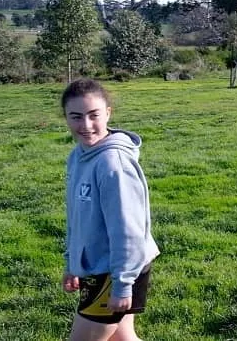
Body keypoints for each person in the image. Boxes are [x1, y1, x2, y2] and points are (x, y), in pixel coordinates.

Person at [60, 78, 160, 341]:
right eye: (76, 117)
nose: (86, 125)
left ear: (108, 113)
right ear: (66, 118)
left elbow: (128, 229)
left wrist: (123, 284)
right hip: (102, 267)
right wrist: (72, 262)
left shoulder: (112, 163)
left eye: (94, 115)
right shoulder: (77, 156)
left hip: (116, 270)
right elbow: (77, 217)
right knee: (123, 339)